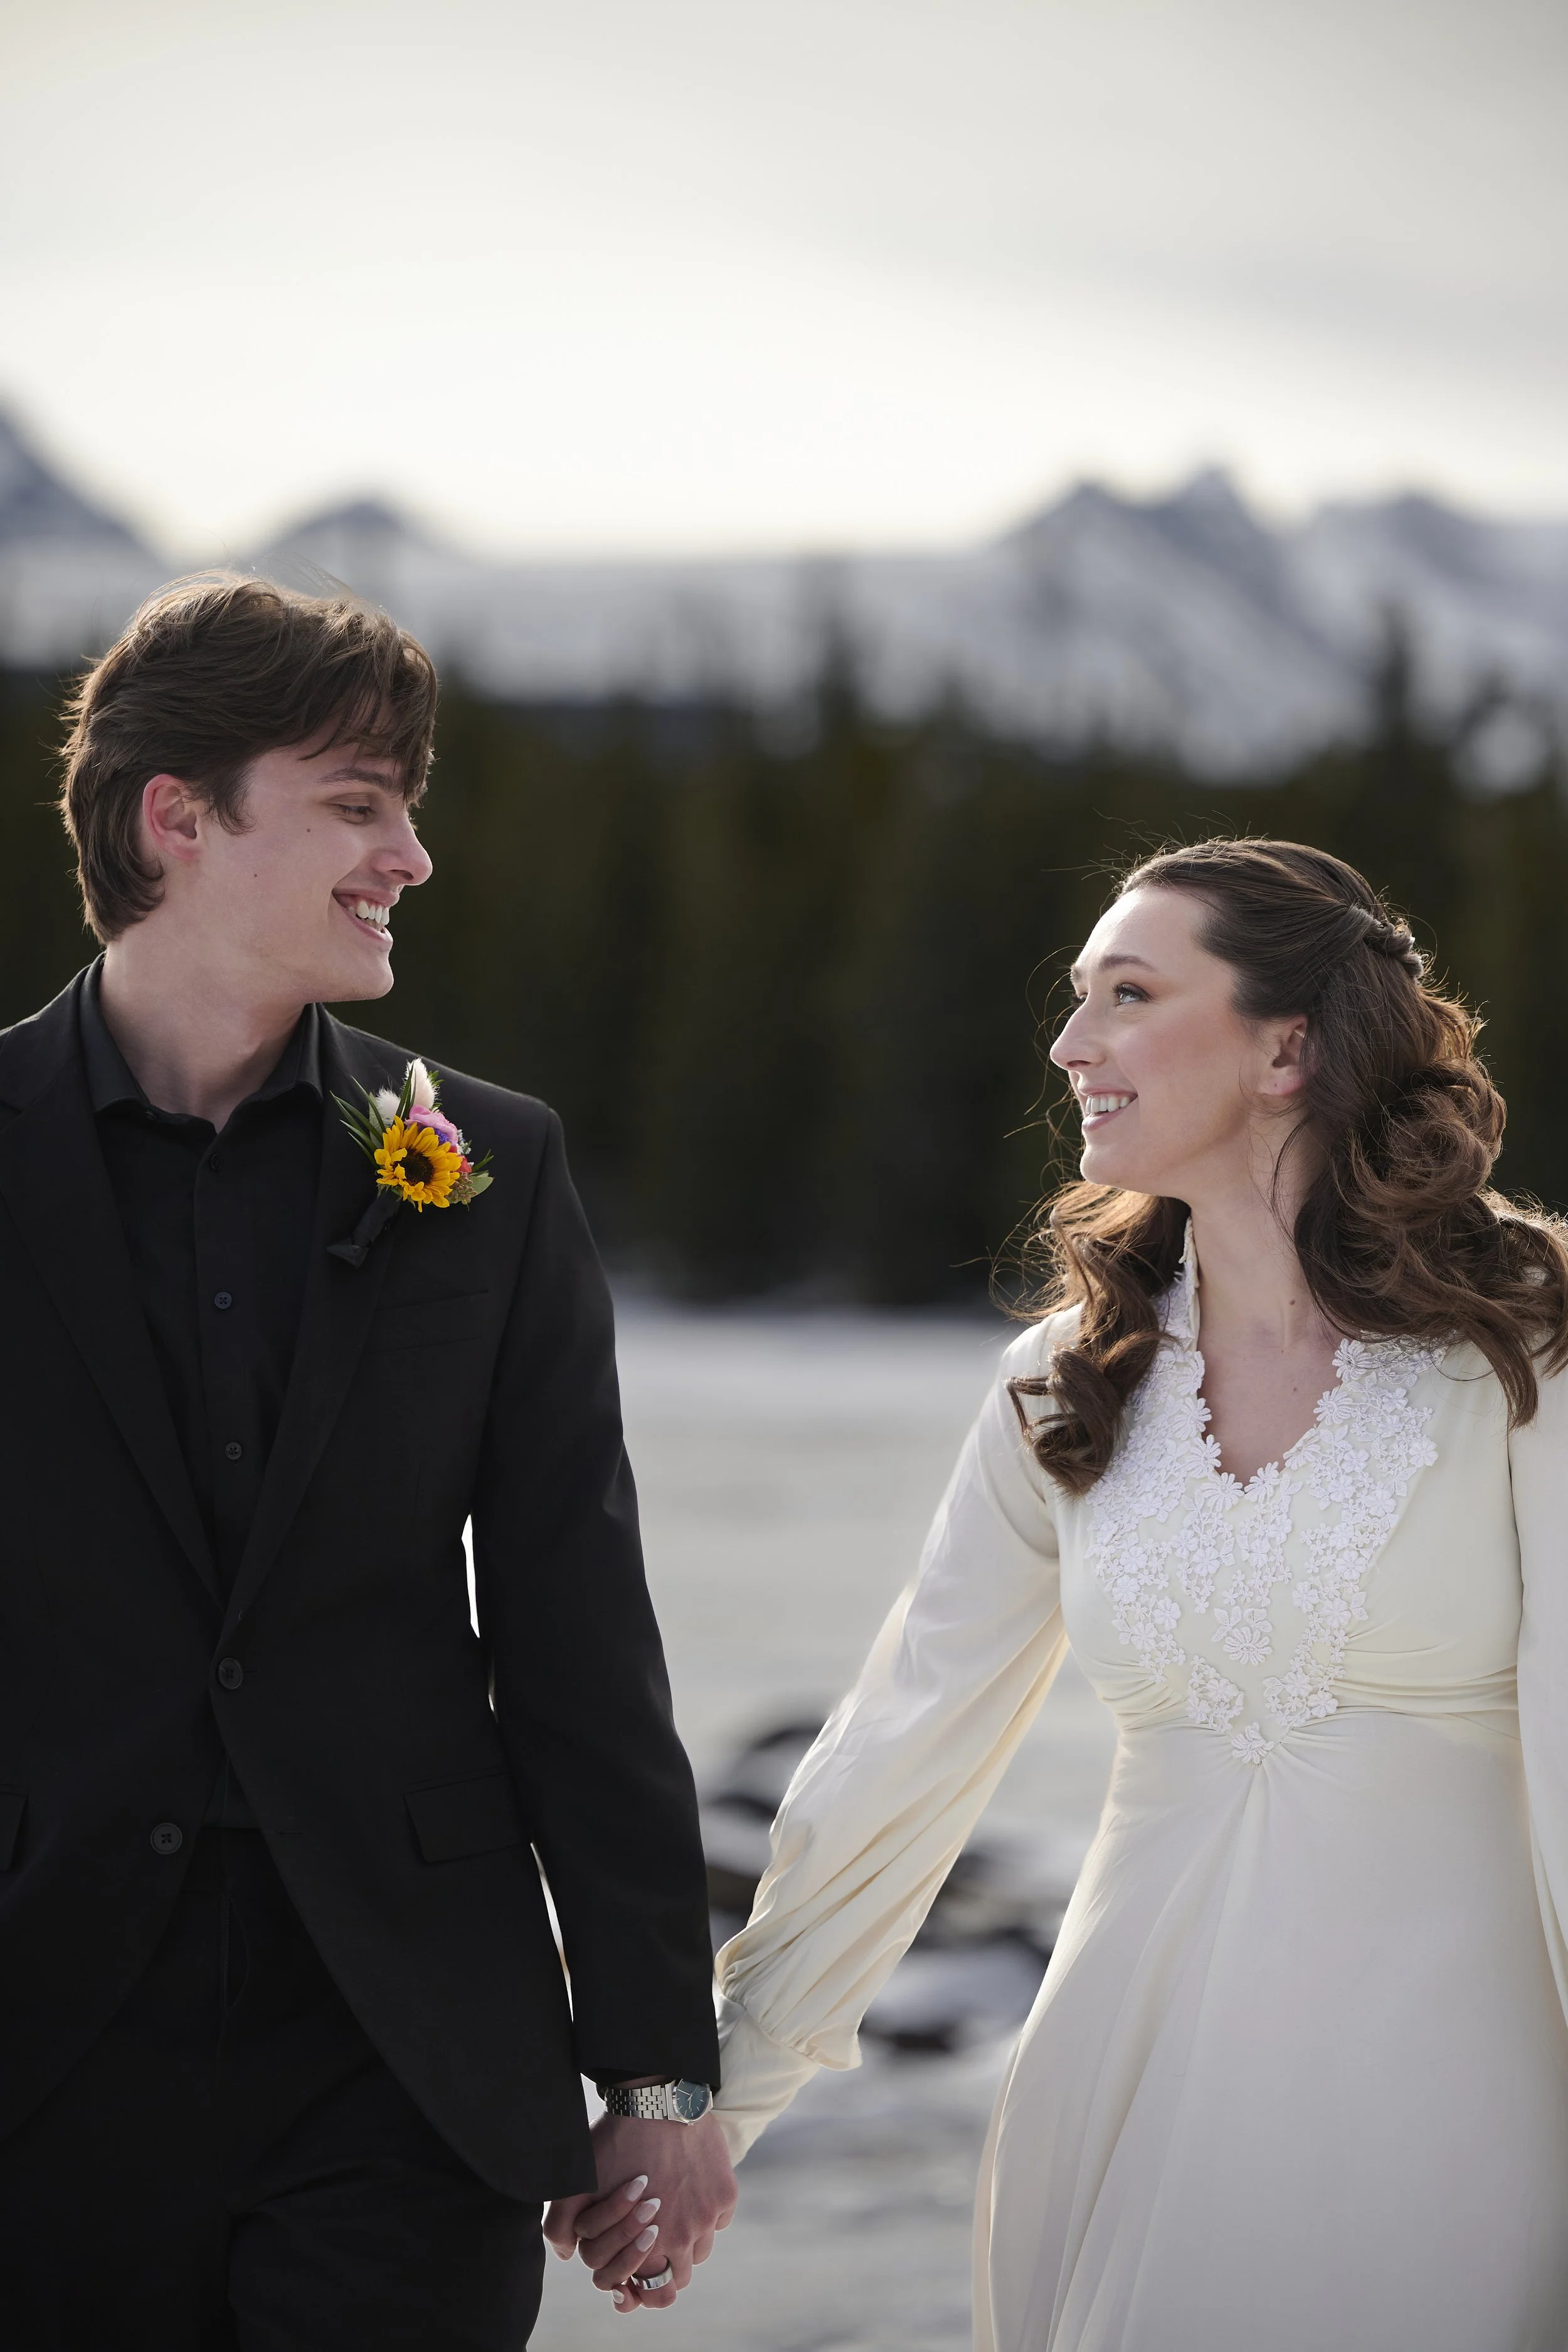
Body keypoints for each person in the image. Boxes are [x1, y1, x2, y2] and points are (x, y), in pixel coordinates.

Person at [0, 575, 735, 2349]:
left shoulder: (492, 1161)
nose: (409, 853)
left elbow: (576, 1617)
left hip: (407, 2053)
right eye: (355, 802)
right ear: (177, 817)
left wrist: (654, 2063)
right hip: (35, 2040)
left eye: (410, 805)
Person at [711, 837, 1568, 2350]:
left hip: (1448, 2094)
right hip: (1117, 2074)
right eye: (1072, 997)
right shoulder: (1060, 1382)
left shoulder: (1525, 1341)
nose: (1067, 1043)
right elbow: (901, 1744)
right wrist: (715, 2095)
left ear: (1285, 1047)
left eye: (1126, 993)